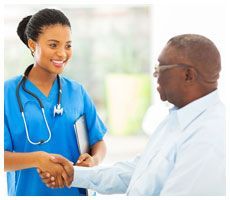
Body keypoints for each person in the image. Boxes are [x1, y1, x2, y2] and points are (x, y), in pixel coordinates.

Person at [39, 34, 225, 195]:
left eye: (161, 68)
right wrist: (74, 174)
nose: (155, 75)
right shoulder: (176, 119)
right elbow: (138, 172)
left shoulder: (209, 138)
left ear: (188, 75)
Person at [4, 8, 107, 196]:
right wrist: (37, 159)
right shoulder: (7, 94)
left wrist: (94, 160)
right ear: (32, 45)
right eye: (53, 45)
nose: (62, 53)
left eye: (68, 46)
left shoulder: (77, 91)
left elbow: (98, 142)